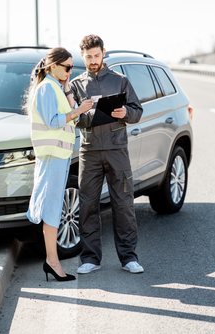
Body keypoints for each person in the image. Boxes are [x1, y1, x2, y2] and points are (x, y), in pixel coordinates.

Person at [69, 35, 144, 274]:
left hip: (116, 150)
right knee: (88, 204)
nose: (93, 60)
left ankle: (129, 258)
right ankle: (90, 259)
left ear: (104, 53)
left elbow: (137, 110)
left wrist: (125, 113)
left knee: (123, 204)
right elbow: (73, 119)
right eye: (88, 57)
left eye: (96, 55)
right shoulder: (76, 85)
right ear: (83, 56)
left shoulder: (120, 81)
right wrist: (87, 115)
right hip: (89, 152)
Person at [25, 47, 93, 282]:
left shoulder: (56, 87)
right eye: (67, 67)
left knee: (54, 206)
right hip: (52, 157)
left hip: (60, 156)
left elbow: (70, 113)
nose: (70, 71)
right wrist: (78, 111)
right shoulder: (46, 89)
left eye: (72, 67)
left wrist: (67, 91)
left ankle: (51, 260)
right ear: (53, 66)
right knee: (52, 207)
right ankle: (52, 261)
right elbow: (53, 121)